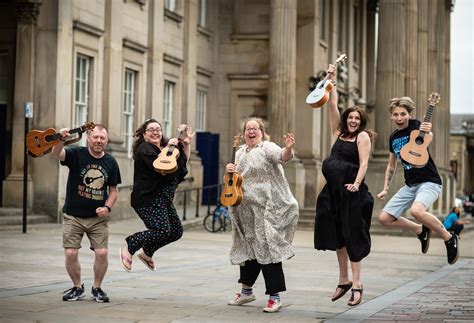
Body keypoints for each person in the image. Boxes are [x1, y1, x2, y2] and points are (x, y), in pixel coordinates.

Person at [313, 64, 374, 307]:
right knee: (335, 235)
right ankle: (343, 279)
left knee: (352, 237)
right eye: (350, 117)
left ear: (361, 121)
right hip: (333, 192)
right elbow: (331, 104)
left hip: (352, 192)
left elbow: (364, 163)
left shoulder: (363, 137)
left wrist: (356, 184)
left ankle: (357, 284)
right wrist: (330, 79)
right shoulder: (338, 133)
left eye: (356, 118)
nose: (352, 120)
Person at [225, 117, 298, 313]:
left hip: (268, 208)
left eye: (255, 128)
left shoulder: (267, 147)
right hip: (245, 209)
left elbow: (282, 156)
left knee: (268, 247)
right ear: (243, 133)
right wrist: (230, 170)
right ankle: (246, 291)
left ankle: (275, 297)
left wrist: (288, 148)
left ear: (261, 132)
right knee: (248, 246)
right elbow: (234, 180)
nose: (251, 131)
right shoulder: (239, 152)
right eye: (248, 129)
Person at [377, 96, 459, 265]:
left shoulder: (416, 125)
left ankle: (449, 237)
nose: (399, 118)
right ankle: (419, 229)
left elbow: (427, 133)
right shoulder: (393, 138)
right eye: (396, 114)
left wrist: (428, 130)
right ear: (391, 116)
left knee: (417, 211)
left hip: (429, 181)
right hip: (410, 185)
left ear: (409, 115)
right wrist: (385, 187)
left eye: (403, 114)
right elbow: (391, 166)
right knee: (384, 218)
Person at [51, 124, 122, 303]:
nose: (98, 141)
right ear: (89, 138)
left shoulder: (111, 162)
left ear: (106, 141)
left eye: (102, 138)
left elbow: (113, 191)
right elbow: (56, 153)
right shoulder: (77, 154)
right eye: (95, 137)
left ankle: (97, 288)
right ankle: (77, 287)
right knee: (70, 253)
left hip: (97, 219)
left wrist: (107, 207)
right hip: (73, 215)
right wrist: (60, 139)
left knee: (102, 253)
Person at [120, 119, 193, 272]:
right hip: (148, 198)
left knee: (175, 231)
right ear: (144, 134)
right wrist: (171, 146)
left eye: (158, 129)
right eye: (151, 129)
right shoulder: (145, 149)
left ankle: (147, 253)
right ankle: (130, 246)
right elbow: (163, 169)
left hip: (164, 198)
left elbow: (181, 166)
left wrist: (186, 144)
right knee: (162, 230)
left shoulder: (166, 150)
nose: (155, 132)